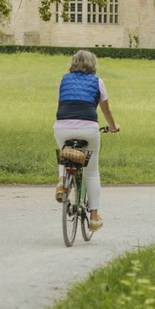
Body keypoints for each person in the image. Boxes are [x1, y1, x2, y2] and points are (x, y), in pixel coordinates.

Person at [54, 50, 119, 230]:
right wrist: (113, 126)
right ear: (93, 64)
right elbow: (106, 110)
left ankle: (62, 181)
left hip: (62, 127)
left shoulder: (64, 80)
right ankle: (94, 217)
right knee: (91, 173)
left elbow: (59, 107)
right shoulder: (98, 82)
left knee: (64, 154)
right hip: (88, 129)